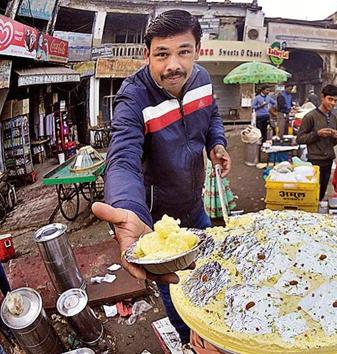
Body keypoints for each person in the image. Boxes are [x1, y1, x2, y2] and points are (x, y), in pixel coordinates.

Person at [91, 10, 232, 343]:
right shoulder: (133, 97)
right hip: (156, 227)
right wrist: (127, 209)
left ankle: (217, 335)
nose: (174, 65)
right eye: (162, 54)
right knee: (176, 291)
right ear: (147, 55)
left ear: (197, 50)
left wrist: (217, 143)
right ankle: (187, 341)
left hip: (196, 208)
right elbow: (122, 158)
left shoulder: (202, 80)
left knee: (213, 276)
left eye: (184, 51)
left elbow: (211, 115)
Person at [296, 85, 337, 201]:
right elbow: (300, 138)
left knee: (321, 193)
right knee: (312, 194)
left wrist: (336, 137)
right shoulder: (310, 117)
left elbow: (333, 143)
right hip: (314, 161)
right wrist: (317, 134)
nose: (333, 103)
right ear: (322, 97)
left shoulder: (333, 118)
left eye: (335, 101)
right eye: (330, 99)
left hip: (329, 160)